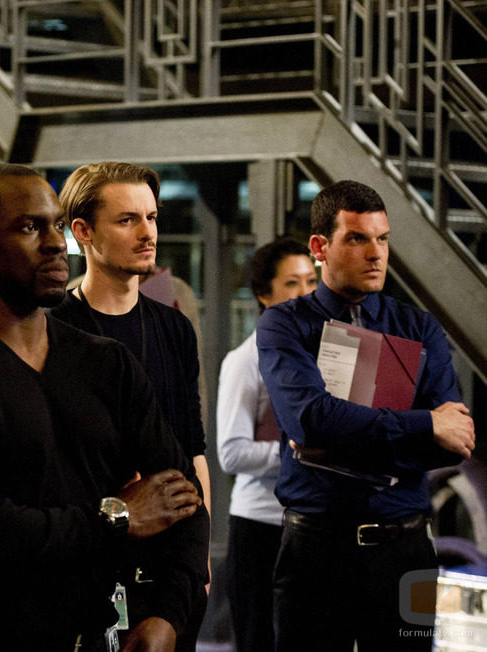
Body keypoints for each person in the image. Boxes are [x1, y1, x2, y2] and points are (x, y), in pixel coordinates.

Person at [0, 164, 209, 651]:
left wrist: (167, 614)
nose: (54, 243)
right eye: (29, 227)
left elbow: (181, 498)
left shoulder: (106, 361)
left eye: (57, 225)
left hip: (96, 633)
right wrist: (117, 516)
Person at [257, 180, 476, 651]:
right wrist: (423, 423)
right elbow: (310, 420)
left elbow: (452, 441)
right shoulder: (284, 324)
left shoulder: (419, 327)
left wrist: (336, 444)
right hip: (315, 552)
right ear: (321, 247)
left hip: (407, 552)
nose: (376, 254)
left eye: (382, 239)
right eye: (357, 238)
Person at [49, 161, 209, 649]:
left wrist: (199, 565)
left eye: (152, 217)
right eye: (128, 220)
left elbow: (193, 448)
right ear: (83, 232)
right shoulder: (51, 328)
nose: (148, 233)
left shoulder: (173, 327)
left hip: (171, 567)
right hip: (88, 563)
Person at [216, 237, 317, 652]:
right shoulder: (246, 359)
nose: (306, 293)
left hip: (313, 525)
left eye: (312, 281)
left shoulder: (321, 353)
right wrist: (297, 453)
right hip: (260, 527)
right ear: (264, 294)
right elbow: (231, 452)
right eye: (292, 283)